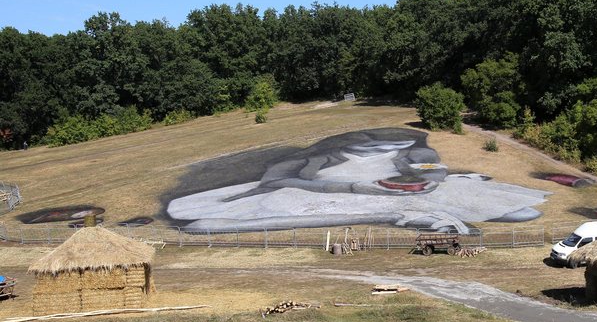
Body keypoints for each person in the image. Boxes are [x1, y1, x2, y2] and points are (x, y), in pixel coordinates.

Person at [167, 127, 549, 233]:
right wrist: (353, 188)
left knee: (516, 212)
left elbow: (434, 170)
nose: (380, 147)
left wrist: (427, 179)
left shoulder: (412, 153)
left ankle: (434, 213)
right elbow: (283, 181)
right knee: (208, 222)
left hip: (391, 191)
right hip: (329, 196)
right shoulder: (315, 159)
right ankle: (399, 216)